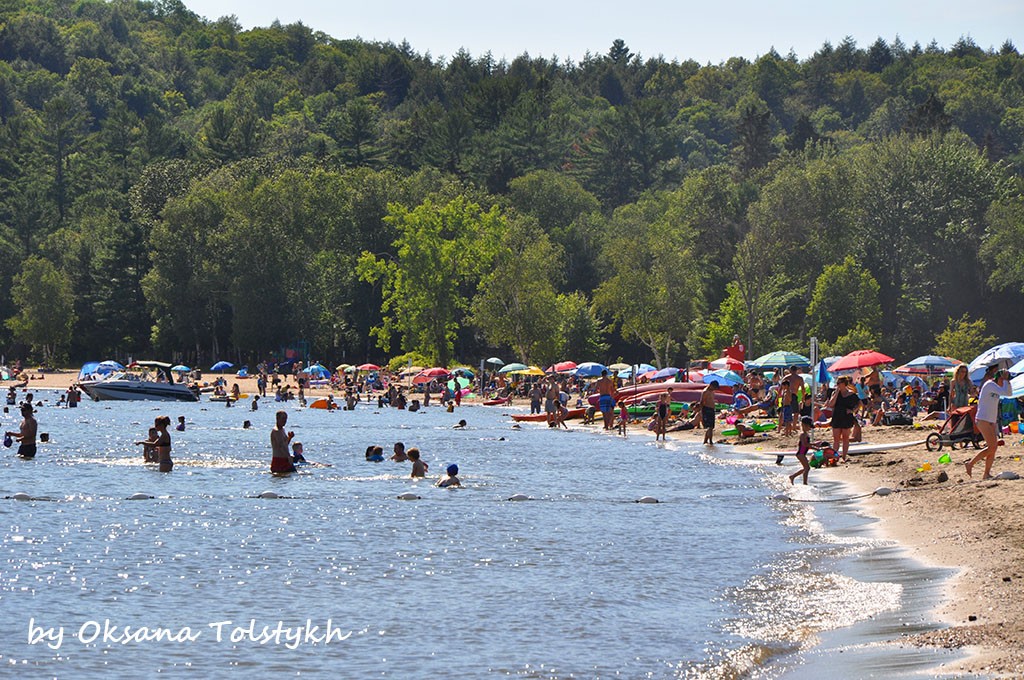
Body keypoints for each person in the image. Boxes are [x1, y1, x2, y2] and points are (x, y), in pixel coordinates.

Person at [966, 367, 1012, 480]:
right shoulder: (990, 385)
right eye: (1002, 380)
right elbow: (1005, 392)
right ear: (998, 379)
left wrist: (1007, 380)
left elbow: (1009, 393)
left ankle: (986, 474)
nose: (1003, 383)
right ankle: (970, 463)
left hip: (991, 420)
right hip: (983, 419)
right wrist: (1005, 379)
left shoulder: (996, 387)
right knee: (992, 447)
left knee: (993, 448)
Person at [826, 376, 859, 462]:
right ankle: (834, 456)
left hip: (846, 417)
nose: (837, 385)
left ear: (844, 384)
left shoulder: (851, 394)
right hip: (837, 416)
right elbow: (831, 404)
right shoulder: (835, 393)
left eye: (839, 383)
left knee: (845, 437)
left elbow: (858, 404)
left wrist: (852, 411)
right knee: (836, 438)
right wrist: (836, 392)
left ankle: (844, 456)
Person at [789, 416, 814, 485]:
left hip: (802, 454)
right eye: (809, 426)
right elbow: (805, 444)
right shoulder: (802, 435)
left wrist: (815, 444)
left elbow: (807, 444)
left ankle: (793, 476)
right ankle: (805, 483)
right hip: (801, 454)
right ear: (804, 425)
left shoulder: (806, 434)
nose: (810, 428)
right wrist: (816, 447)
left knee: (806, 468)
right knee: (807, 468)